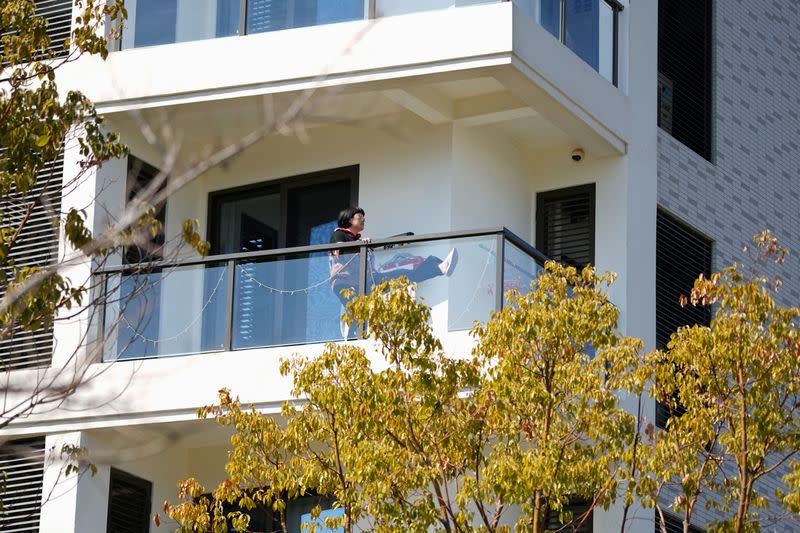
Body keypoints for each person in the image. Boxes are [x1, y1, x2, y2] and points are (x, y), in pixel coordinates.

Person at [329, 206, 458, 326]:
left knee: (401, 277)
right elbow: (342, 252)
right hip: (345, 284)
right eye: (359, 217)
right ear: (349, 219)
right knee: (357, 314)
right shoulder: (339, 234)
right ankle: (354, 341)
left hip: (366, 280)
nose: (363, 220)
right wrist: (362, 245)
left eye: (364, 218)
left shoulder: (357, 239)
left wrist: (364, 245)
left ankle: (438, 267)